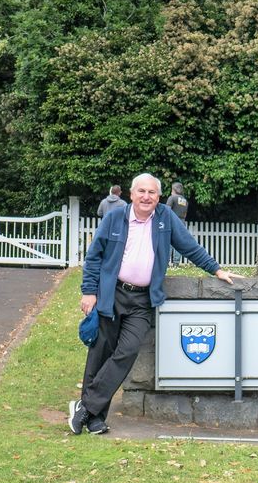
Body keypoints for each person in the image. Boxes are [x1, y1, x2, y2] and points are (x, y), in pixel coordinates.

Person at [69, 173, 242, 435]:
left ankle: (85, 407)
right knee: (100, 352)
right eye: (141, 191)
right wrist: (89, 291)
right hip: (111, 293)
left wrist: (216, 270)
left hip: (142, 300)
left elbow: (189, 246)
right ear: (131, 194)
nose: (146, 197)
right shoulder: (115, 217)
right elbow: (94, 256)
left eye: (151, 192)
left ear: (159, 197)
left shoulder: (165, 218)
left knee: (127, 351)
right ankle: (95, 417)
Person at [166, 182, 189, 265]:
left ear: (173, 189)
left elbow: (167, 211)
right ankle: (176, 263)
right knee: (178, 242)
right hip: (182, 222)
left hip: (172, 221)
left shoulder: (172, 198)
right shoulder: (185, 200)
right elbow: (185, 214)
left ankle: (167, 261)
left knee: (168, 242)